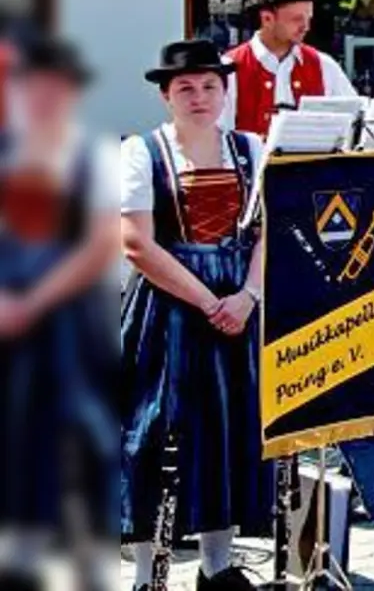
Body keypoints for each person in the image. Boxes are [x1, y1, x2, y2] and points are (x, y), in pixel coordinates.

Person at [120, 39, 273, 591]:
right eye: (186, 87)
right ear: (166, 96)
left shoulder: (252, 149)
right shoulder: (144, 152)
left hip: (237, 305)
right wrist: (209, 301)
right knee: (152, 432)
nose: (200, 96)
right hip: (169, 308)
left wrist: (248, 296)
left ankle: (217, 566)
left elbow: (269, 231)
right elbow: (136, 243)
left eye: (211, 85)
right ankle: (145, 574)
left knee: (227, 429)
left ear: (225, 92)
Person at [0, 36, 119, 580]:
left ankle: (89, 555)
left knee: (81, 440)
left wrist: (33, 301)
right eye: (34, 87)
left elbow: (99, 245)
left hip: (71, 320)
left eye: (55, 89)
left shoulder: (91, 157)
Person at [221, 0, 358, 134]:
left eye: (309, 18)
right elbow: (218, 138)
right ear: (267, 19)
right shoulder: (229, 69)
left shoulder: (323, 65)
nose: (306, 27)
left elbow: (354, 120)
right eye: (297, 19)